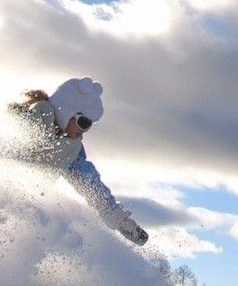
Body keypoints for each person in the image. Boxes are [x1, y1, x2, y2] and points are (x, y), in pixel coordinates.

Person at [8, 77, 148, 246]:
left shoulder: (72, 151)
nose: (84, 131)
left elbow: (90, 182)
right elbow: (17, 132)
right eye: (83, 123)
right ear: (66, 111)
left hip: (22, 201)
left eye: (89, 126)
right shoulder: (41, 111)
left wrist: (118, 219)